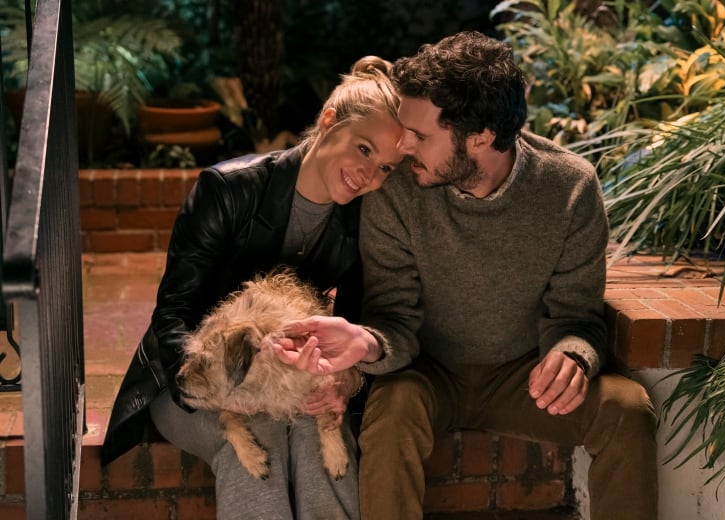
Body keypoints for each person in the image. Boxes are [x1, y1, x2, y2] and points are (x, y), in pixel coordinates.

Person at [273, 31, 659, 520]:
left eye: (421, 135)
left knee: (627, 410)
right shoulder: (399, 192)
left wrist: (573, 355)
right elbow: (394, 318)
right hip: (426, 374)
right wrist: (367, 343)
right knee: (390, 416)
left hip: (524, 375)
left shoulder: (570, 189)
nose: (403, 145)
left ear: (479, 137)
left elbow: (577, 316)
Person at [100, 55, 404, 520]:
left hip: (286, 379)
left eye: (386, 168)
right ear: (328, 122)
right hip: (192, 379)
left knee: (317, 431)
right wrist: (232, 392)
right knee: (259, 436)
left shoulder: (363, 222)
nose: (370, 175)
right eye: (364, 149)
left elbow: (359, 324)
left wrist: (343, 380)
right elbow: (171, 319)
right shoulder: (227, 190)